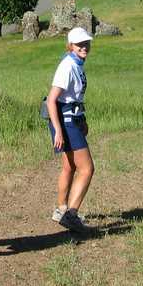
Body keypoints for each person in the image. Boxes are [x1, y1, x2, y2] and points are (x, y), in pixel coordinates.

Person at [46, 27, 95, 234]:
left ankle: (61, 209)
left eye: (86, 43)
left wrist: (82, 119)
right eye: (79, 44)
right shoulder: (67, 66)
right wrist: (58, 130)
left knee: (69, 167)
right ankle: (71, 215)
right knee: (87, 169)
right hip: (65, 122)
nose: (84, 47)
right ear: (70, 46)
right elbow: (51, 100)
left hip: (72, 119)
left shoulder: (77, 64)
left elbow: (74, 97)